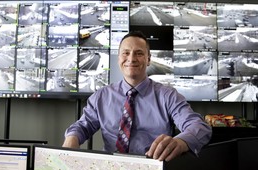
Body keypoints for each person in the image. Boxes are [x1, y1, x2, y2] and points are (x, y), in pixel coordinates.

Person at [63, 31, 212, 161]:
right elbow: (82, 126)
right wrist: (72, 138)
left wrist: (180, 142)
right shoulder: (101, 97)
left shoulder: (168, 96)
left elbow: (198, 127)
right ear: (119, 58)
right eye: (126, 53)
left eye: (139, 53)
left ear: (148, 59)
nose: (131, 58)